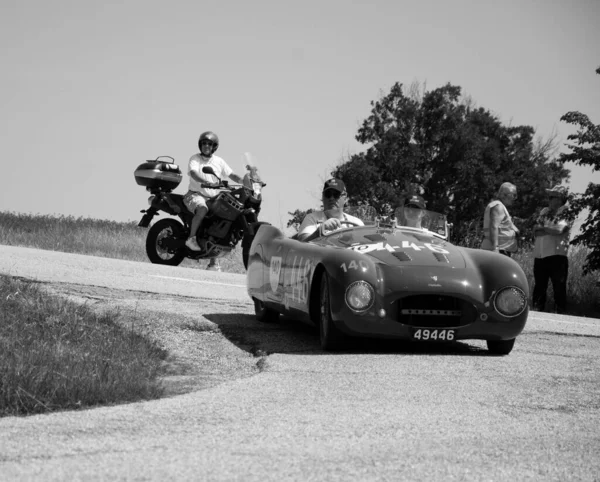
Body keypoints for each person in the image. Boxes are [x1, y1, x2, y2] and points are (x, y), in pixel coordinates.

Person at [183, 131, 243, 271]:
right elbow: (193, 173)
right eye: (204, 143)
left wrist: (245, 182)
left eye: (209, 144)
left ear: (214, 146)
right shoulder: (195, 158)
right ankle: (191, 238)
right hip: (195, 195)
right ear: (200, 145)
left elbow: (231, 174)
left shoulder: (219, 161)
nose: (206, 146)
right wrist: (205, 182)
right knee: (202, 209)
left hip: (213, 198)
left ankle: (213, 263)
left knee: (220, 221)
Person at [532, 185, 572, 313]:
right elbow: (535, 231)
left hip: (557, 255)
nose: (549, 199)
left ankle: (560, 316)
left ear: (560, 199)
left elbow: (560, 230)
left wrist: (543, 229)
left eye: (552, 196)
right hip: (540, 254)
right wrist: (548, 230)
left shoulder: (567, 211)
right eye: (549, 197)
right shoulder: (544, 211)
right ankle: (537, 312)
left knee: (559, 287)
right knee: (539, 287)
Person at [297, 178, 364, 241]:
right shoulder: (311, 219)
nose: (331, 198)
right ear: (323, 197)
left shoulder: (356, 223)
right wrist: (319, 232)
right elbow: (302, 246)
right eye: (328, 194)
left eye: (336, 194)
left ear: (345, 198)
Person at [480, 182, 519, 256]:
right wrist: (495, 248)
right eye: (514, 195)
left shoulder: (499, 206)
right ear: (504, 195)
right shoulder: (498, 207)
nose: (515, 198)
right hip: (498, 250)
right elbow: (494, 227)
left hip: (500, 249)